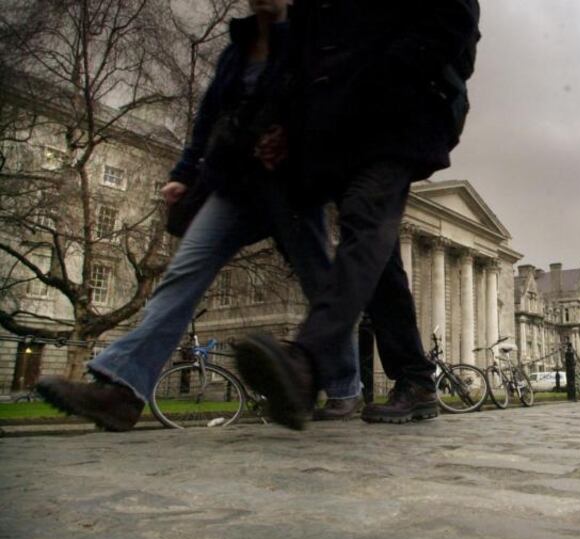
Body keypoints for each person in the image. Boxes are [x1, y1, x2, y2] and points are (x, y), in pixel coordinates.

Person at [34, 0, 363, 430]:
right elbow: (209, 119)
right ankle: (123, 390)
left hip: (291, 187)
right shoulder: (238, 50)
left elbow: (330, 102)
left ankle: (342, 388)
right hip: (233, 186)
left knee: (321, 282)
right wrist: (183, 174)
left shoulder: (308, 39)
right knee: (181, 276)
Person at [233, 0, 482, 429]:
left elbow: (454, 22)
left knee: (367, 217)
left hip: (401, 111)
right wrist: (277, 121)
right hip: (336, 126)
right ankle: (415, 378)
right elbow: (301, 50)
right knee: (375, 253)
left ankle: (306, 361)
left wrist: (390, 73)